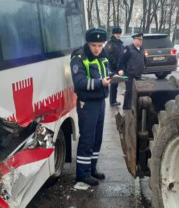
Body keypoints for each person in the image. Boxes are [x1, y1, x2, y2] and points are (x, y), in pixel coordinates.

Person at [70, 27, 111, 186]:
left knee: (97, 138)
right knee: (87, 138)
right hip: (87, 103)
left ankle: (92, 169)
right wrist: (100, 82)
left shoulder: (103, 55)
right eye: (94, 45)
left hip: (100, 101)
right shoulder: (79, 56)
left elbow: (107, 70)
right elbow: (79, 82)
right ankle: (82, 174)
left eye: (100, 45)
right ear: (88, 43)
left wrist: (113, 77)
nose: (97, 49)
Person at [118, 32, 146, 110]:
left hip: (138, 73)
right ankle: (127, 107)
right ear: (134, 40)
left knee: (138, 91)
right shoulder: (128, 49)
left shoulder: (142, 49)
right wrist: (120, 69)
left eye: (141, 40)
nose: (141, 41)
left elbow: (143, 59)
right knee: (129, 91)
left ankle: (136, 106)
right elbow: (121, 60)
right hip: (129, 73)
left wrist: (144, 66)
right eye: (139, 40)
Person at [105, 26, 124, 106]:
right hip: (113, 67)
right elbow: (109, 55)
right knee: (113, 84)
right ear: (113, 34)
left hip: (119, 67)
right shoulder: (110, 43)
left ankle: (114, 100)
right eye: (117, 34)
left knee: (116, 84)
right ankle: (112, 101)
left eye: (119, 33)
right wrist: (116, 64)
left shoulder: (120, 43)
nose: (118, 35)